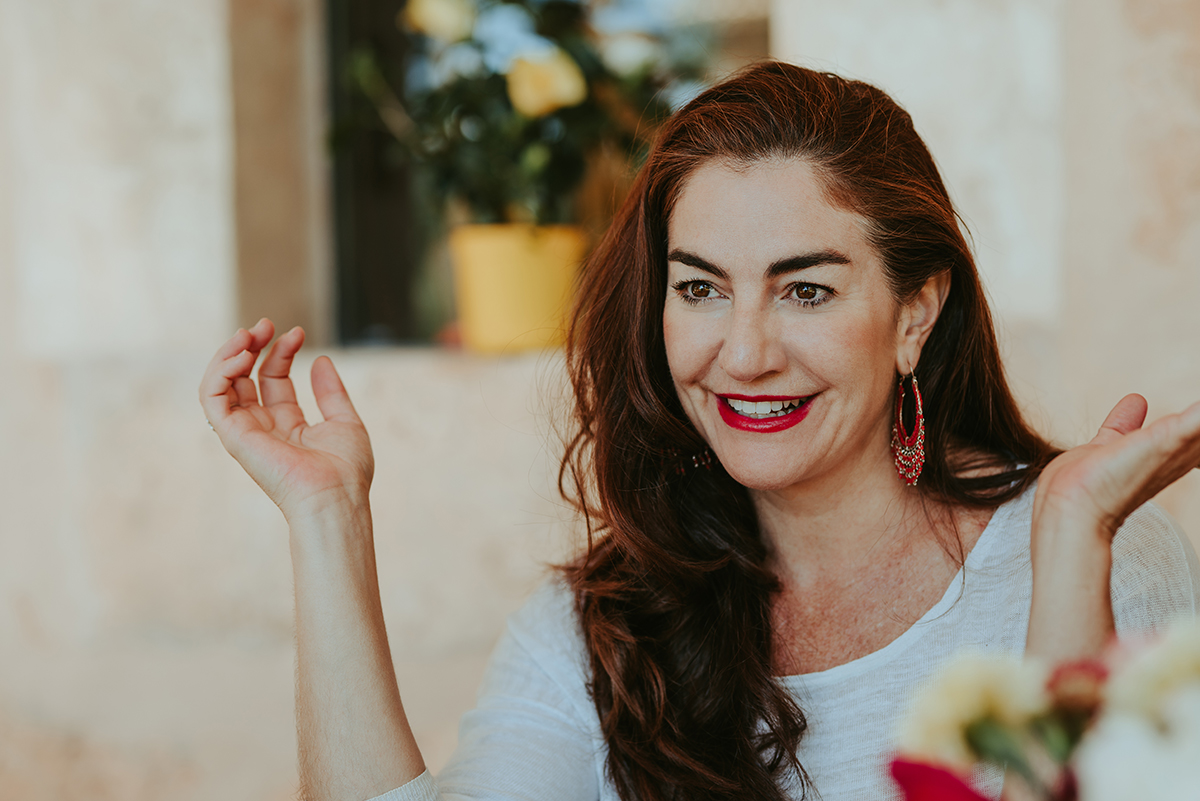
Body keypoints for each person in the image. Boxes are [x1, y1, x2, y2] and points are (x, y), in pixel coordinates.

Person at [199, 62, 1200, 801]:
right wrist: (326, 520)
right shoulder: (596, 632)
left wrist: (1074, 549)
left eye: (805, 290)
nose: (744, 352)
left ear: (915, 314)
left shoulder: (1101, 553)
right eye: (700, 288)